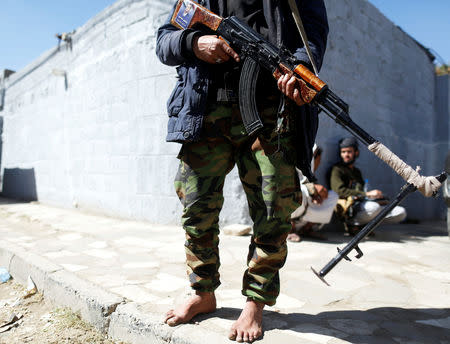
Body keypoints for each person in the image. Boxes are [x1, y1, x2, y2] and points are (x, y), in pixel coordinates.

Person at [156, 1, 328, 342]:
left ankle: (255, 302)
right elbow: (164, 41)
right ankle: (202, 292)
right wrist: (194, 44)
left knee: (273, 209)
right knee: (196, 205)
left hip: (270, 111)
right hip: (206, 110)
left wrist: (299, 69)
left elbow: (313, 35)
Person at [330, 137, 407, 235]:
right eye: (343, 152)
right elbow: (339, 190)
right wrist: (367, 194)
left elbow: (363, 191)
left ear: (356, 153)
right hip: (350, 209)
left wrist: (376, 198)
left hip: (364, 205)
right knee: (374, 208)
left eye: (349, 152)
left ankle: (364, 227)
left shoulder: (357, 172)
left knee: (400, 212)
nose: (346, 155)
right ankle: (352, 225)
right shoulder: (337, 169)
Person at [289, 144, 338, 242]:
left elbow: (312, 186)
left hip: (302, 217)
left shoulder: (310, 173)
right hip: (286, 211)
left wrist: (318, 194)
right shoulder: (292, 162)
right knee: (300, 192)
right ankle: (289, 230)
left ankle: (306, 229)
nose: (317, 162)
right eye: (315, 157)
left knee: (333, 196)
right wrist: (312, 189)